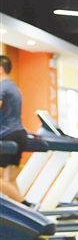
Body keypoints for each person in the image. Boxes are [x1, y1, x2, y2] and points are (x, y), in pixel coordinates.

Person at [0, 55, 29, 205]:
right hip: (17, 134)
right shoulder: (13, 86)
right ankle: (27, 212)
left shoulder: (2, 86)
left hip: (7, 136)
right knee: (9, 179)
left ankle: (24, 204)